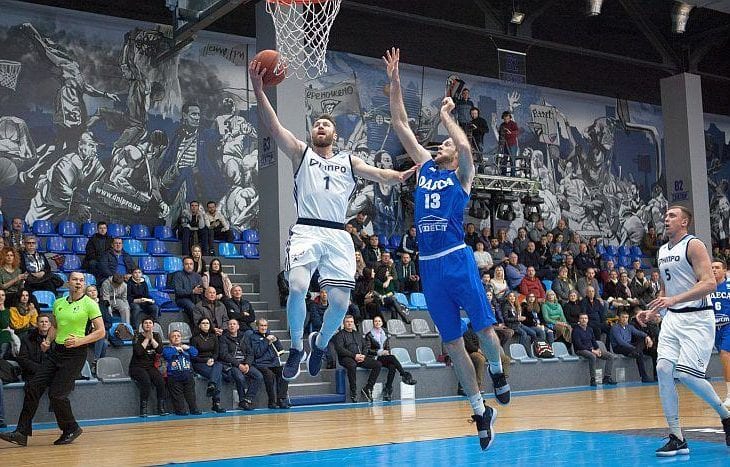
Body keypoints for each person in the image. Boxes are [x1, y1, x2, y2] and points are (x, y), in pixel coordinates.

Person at [249, 57, 415, 383]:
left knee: (340, 305)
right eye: (317, 125)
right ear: (312, 133)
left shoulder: (349, 161)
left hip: (338, 234)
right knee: (298, 286)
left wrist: (400, 175)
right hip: (307, 229)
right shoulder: (301, 153)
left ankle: (321, 342)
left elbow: (379, 173)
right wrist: (258, 89)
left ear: (335, 135)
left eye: (326, 125)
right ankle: (296, 347)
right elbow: (274, 126)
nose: (321, 127)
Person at [386, 47, 505, 450]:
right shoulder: (425, 167)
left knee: (484, 329)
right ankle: (479, 410)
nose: (440, 147)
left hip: (456, 258)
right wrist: (394, 82)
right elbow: (400, 123)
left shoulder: (463, 174)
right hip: (430, 265)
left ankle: (497, 369)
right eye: (439, 144)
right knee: (452, 343)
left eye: (445, 146)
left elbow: (466, 149)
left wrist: (446, 117)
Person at [636, 206, 730, 455]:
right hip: (673, 319)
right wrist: (653, 311)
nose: (666, 219)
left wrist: (674, 300)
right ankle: (677, 436)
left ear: (684, 222)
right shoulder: (662, 251)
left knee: (686, 374)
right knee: (663, 370)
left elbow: (709, 284)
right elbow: (666, 290)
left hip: (697, 319)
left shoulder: (694, 245)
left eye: (672, 216)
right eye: (665, 216)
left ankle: (725, 415)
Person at [0, 271, 104, 447]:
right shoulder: (58, 303)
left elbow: (101, 332)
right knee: (33, 386)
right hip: (57, 351)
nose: (78, 283)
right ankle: (21, 433)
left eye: (81, 280)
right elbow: (55, 326)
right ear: (68, 282)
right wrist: (48, 341)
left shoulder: (90, 304)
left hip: (76, 354)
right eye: (75, 279)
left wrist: (80, 341)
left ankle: (71, 428)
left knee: (57, 395)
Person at [364, 315, 417, 401]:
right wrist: (379, 352)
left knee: (392, 366)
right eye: (375, 321)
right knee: (392, 357)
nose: (377, 323)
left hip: (384, 357)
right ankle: (404, 375)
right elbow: (367, 350)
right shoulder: (369, 335)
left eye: (379, 321)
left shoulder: (385, 334)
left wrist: (386, 353)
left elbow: (388, 347)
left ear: (382, 323)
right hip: (374, 357)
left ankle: (388, 388)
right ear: (373, 323)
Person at [333, 315, 382, 402]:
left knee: (378, 364)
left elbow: (365, 346)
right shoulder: (339, 335)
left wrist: (363, 355)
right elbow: (340, 349)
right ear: (344, 323)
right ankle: (353, 391)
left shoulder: (357, 334)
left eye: (351, 322)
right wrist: (354, 356)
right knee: (352, 365)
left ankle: (368, 388)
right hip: (346, 358)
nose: (349, 323)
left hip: (360, 357)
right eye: (347, 322)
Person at [219, 318, 262, 410]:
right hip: (232, 364)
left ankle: (247, 399)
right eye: (230, 324)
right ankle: (242, 399)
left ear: (238, 326)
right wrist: (238, 365)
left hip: (245, 364)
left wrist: (247, 364)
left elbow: (250, 353)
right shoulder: (223, 338)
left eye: (234, 324)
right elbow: (224, 355)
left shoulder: (244, 337)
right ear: (227, 327)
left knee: (258, 376)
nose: (232, 326)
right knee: (240, 378)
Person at [129, 317, 169, 417]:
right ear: (142, 325)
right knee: (146, 381)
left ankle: (161, 407)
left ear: (153, 325)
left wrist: (152, 339)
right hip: (137, 366)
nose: (148, 324)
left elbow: (160, 350)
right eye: (145, 323)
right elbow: (138, 352)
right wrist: (147, 339)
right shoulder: (137, 335)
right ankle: (143, 409)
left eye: (150, 323)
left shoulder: (156, 335)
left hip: (150, 366)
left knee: (161, 381)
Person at [248, 318, 287, 409]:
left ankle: (281, 399)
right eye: (261, 325)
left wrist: (276, 341)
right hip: (261, 363)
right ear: (257, 327)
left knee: (284, 374)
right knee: (270, 375)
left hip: (273, 363)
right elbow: (257, 353)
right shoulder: (253, 337)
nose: (264, 328)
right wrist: (266, 341)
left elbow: (281, 352)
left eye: (265, 325)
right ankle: (272, 401)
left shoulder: (271, 335)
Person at [189, 317, 226, 413]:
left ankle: (212, 384)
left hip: (212, 362)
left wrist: (212, 359)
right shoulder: (194, 339)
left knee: (219, 365)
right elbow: (193, 356)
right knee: (219, 376)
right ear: (199, 326)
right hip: (199, 363)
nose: (205, 325)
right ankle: (216, 404)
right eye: (203, 323)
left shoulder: (214, 337)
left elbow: (216, 353)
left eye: (207, 323)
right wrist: (206, 360)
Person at [162, 329, 201, 416]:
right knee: (178, 399)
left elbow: (195, 353)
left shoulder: (186, 348)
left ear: (181, 338)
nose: (176, 338)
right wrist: (176, 349)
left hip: (187, 375)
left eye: (178, 336)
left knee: (191, 395)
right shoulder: (167, 349)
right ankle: (180, 410)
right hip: (174, 377)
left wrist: (188, 348)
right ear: (170, 339)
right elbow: (167, 354)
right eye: (173, 336)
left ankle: (194, 409)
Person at [572, 313, 616, 387]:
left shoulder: (590, 329)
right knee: (592, 356)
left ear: (588, 320)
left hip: (591, 349)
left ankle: (607, 377)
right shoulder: (576, 330)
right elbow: (578, 345)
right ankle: (593, 379)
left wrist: (598, 349)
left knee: (610, 356)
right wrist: (592, 351)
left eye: (585, 318)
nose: (584, 320)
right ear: (579, 320)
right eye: (582, 318)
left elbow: (593, 341)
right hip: (580, 350)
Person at [610, 310, 653, 383]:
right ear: (619, 318)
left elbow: (639, 333)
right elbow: (621, 342)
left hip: (630, 347)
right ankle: (644, 377)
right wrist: (633, 348)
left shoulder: (629, 327)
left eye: (626, 317)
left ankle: (635, 353)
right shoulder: (615, 328)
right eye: (623, 317)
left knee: (642, 340)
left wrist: (647, 337)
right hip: (618, 347)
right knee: (639, 353)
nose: (625, 319)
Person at [710, 258, 730, 408]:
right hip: (713, 328)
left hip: (728, 326)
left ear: (724, 270)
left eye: (717, 267)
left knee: (725, 354)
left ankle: (729, 395)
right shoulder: (706, 287)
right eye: (712, 268)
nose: (714, 270)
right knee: (726, 361)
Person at [17, 314, 52, 381]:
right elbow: (23, 359)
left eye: (46, 322)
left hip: (50, 373)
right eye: (41, 322)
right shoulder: (27, 339)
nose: (44, 324)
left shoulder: (55, 340)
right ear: (37, 324)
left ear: (50, 324)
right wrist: (40, 369)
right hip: (32, 374)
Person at [172, 256, 204, 325]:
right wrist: (192, 291)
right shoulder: (178, 275)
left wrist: (200, 290)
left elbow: (200, 290)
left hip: (196, 298)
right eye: (186, 264)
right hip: (182, 299)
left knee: (205, 306)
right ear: (183, 265)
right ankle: (197, 326)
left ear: (193, 265)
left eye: (191, 264)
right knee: (193, 308)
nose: (189, 266)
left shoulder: (197, 276)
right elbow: (178, 291)